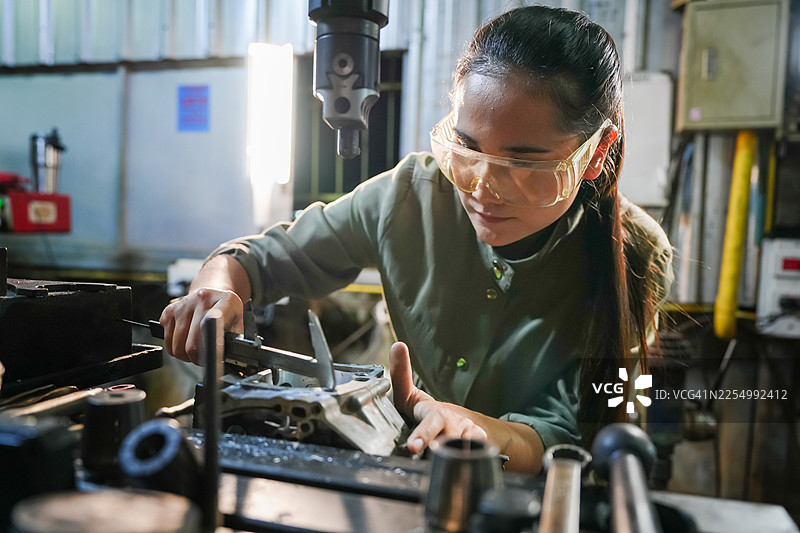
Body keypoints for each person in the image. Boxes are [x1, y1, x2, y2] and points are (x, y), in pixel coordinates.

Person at [160, 5, 673, 474]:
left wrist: (475, 431)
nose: (480, 187)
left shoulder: (634, 255)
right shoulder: (409, 196)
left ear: (597, 150)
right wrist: (216, 287)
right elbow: (263, 259)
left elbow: (557, 430)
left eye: (521, 163)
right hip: (413, 473)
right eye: (466, 149)